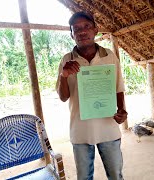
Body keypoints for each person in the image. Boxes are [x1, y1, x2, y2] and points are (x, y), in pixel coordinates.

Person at [55, 11, 128, 180]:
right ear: (72, 34)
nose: (82, 31)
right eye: (76, 29)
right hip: (80, 130)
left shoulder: (109, 56)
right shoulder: (67, 60)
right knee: (84, 177)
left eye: (86, 26)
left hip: (108, 127)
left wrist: (122, 109)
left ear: (96, 30)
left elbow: (118, 87)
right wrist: (63, 75)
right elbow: (63, 97)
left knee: (116, 175)